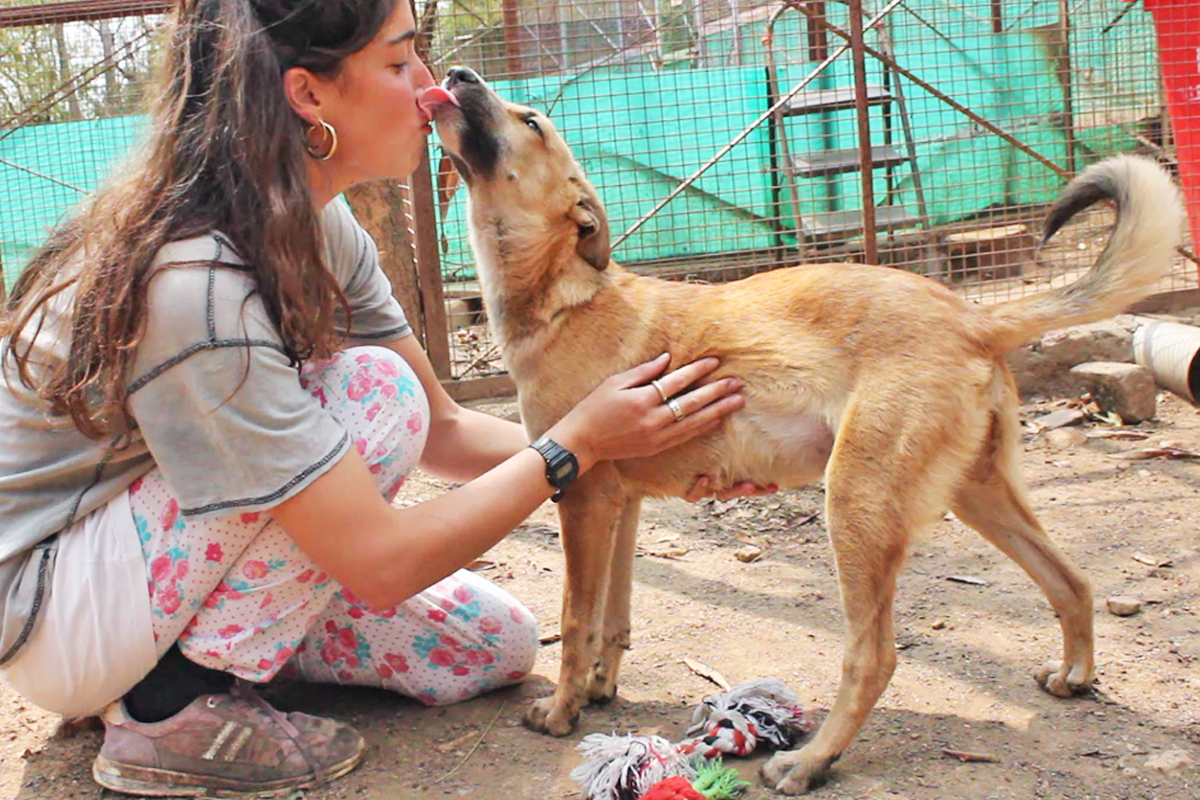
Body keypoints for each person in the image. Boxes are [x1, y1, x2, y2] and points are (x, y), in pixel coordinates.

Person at [0, 1, 772, 796]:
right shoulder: (197, 282)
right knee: (372, 391)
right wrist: (574, 446)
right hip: (58, 606)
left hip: (171, 561)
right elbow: (379, 560)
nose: (429, 87)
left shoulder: (321, 227)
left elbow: (442, 428)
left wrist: (638, 449)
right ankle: (168, 708)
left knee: (492, 645)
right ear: (309, 95)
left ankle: (205, 650)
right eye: (402, 63)